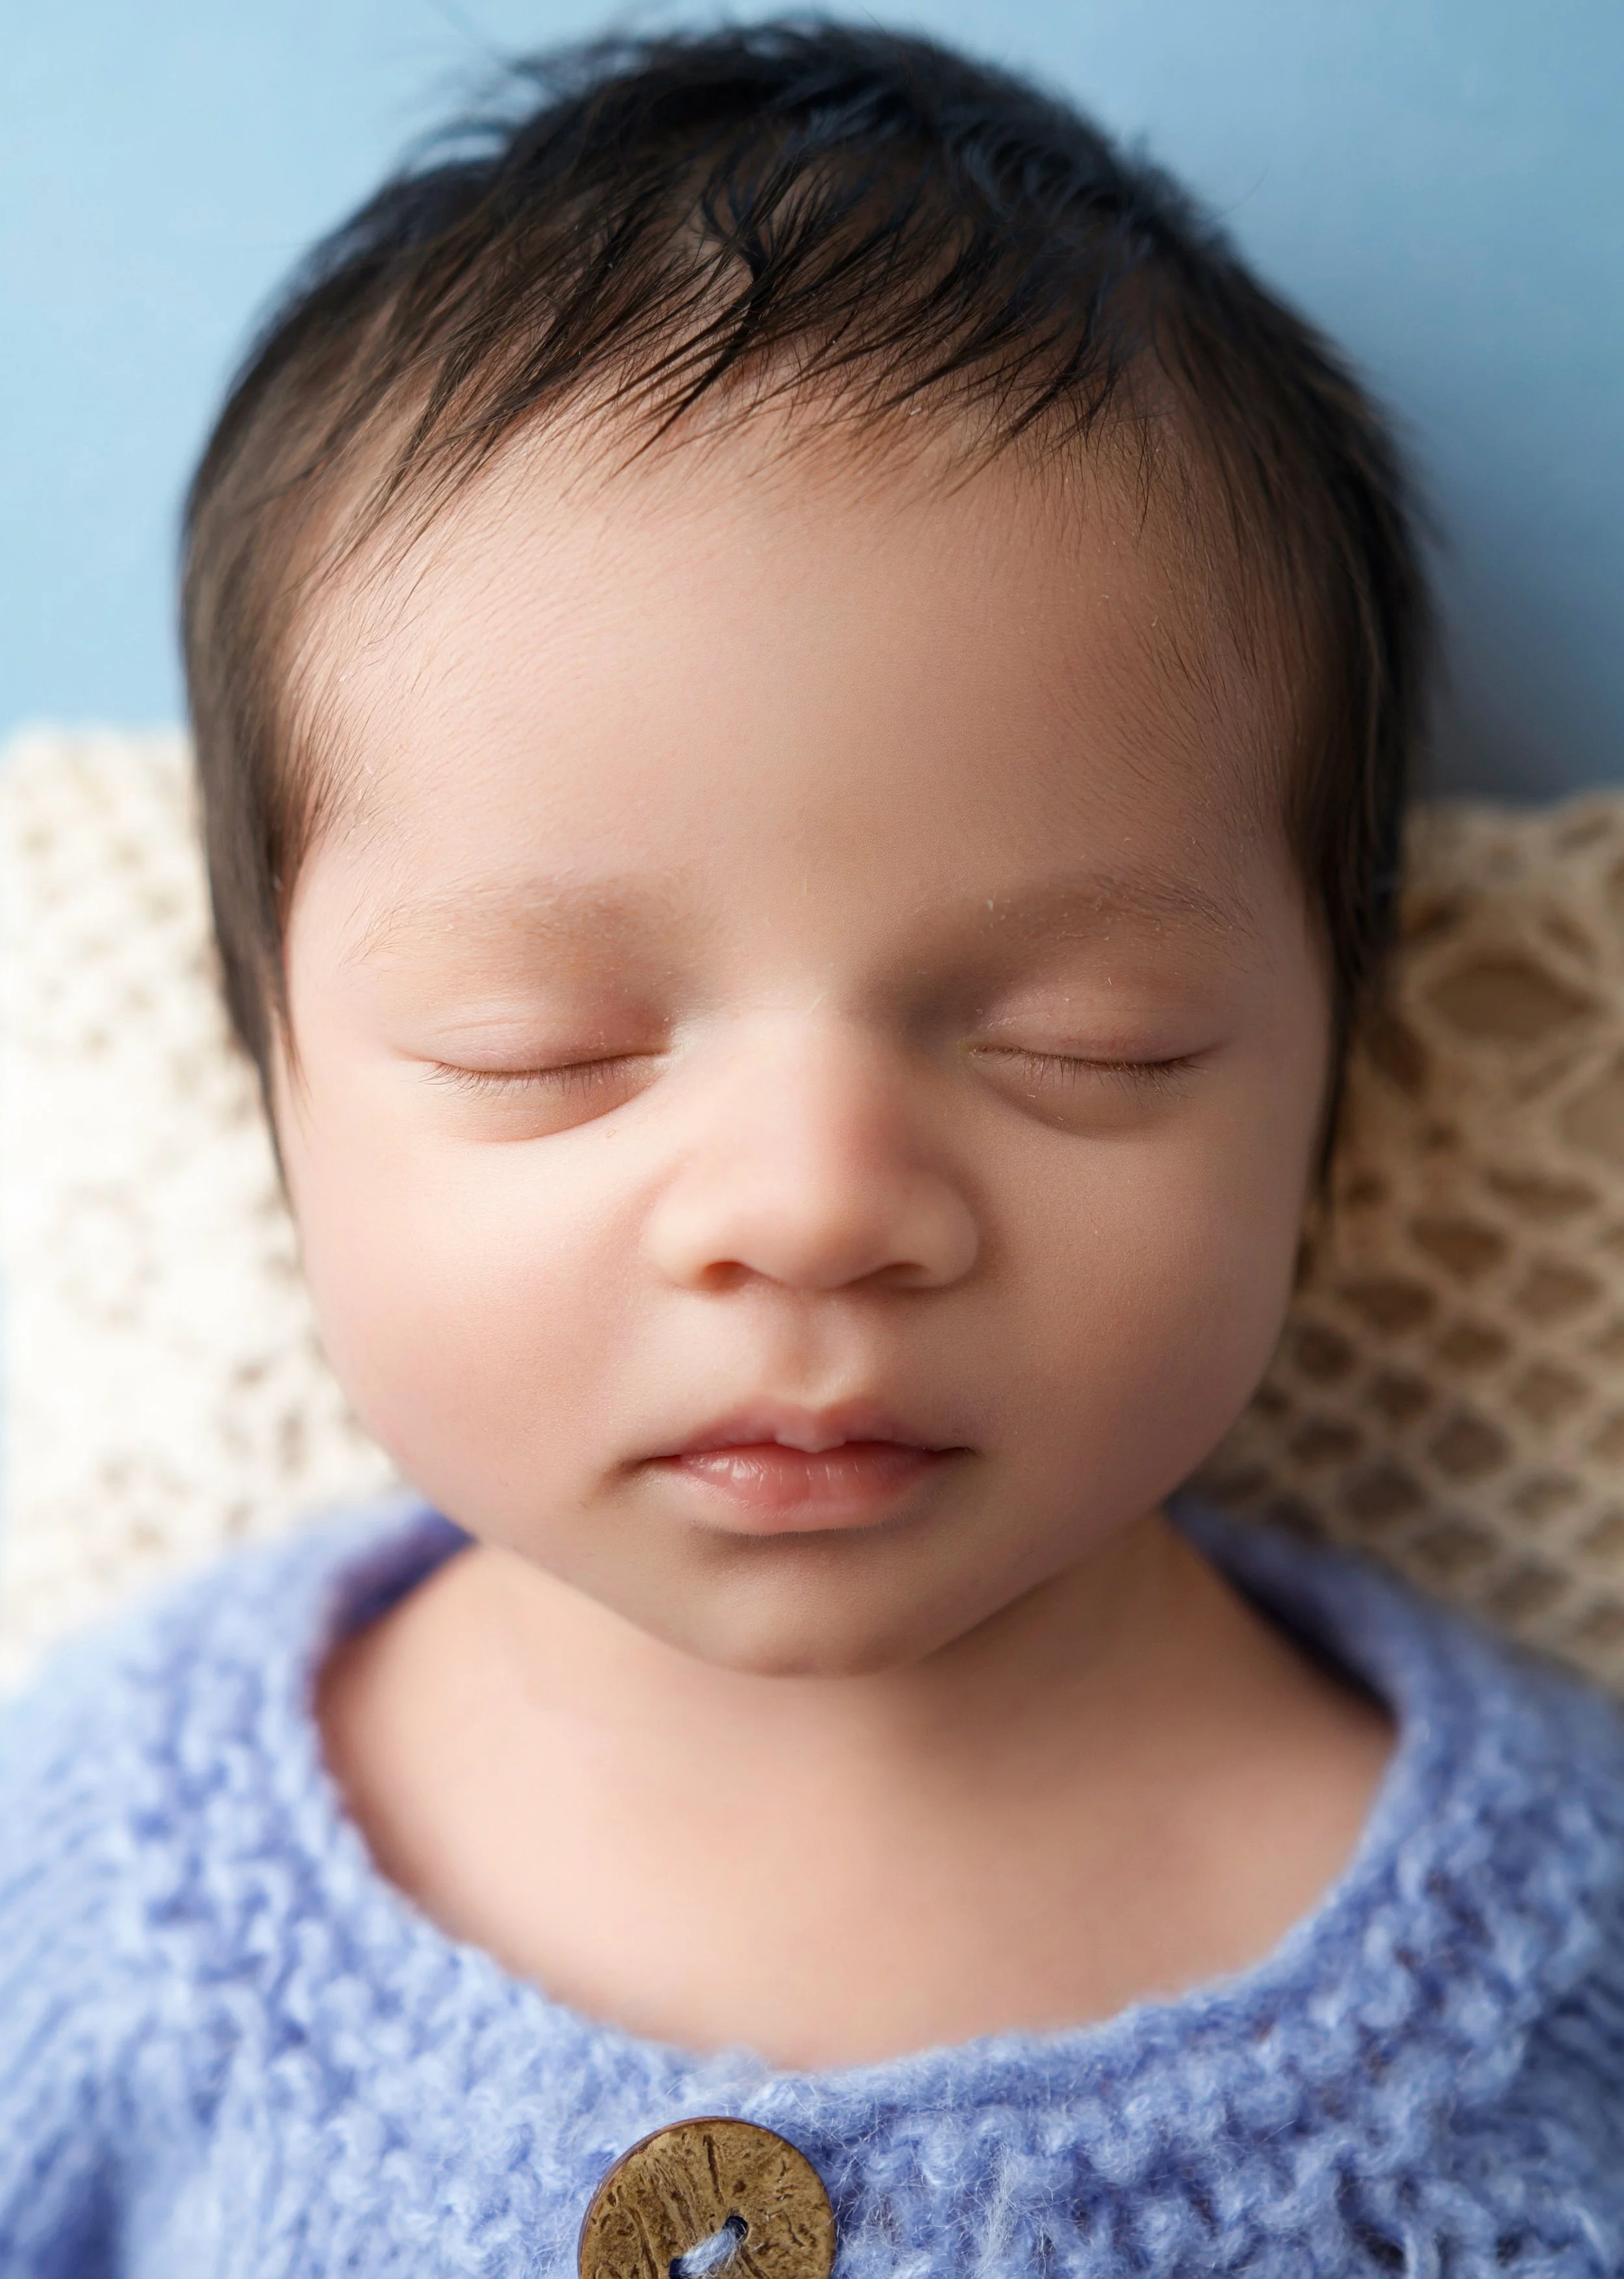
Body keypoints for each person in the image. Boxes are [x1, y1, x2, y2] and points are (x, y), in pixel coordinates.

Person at [4, 20, 1622, 2274]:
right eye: (541, 1043)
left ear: (1335, 1054)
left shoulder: (1563, 2010)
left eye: (1087, 1039)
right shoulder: (80, 1875)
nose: (813, 1207)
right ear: (268, 1071)